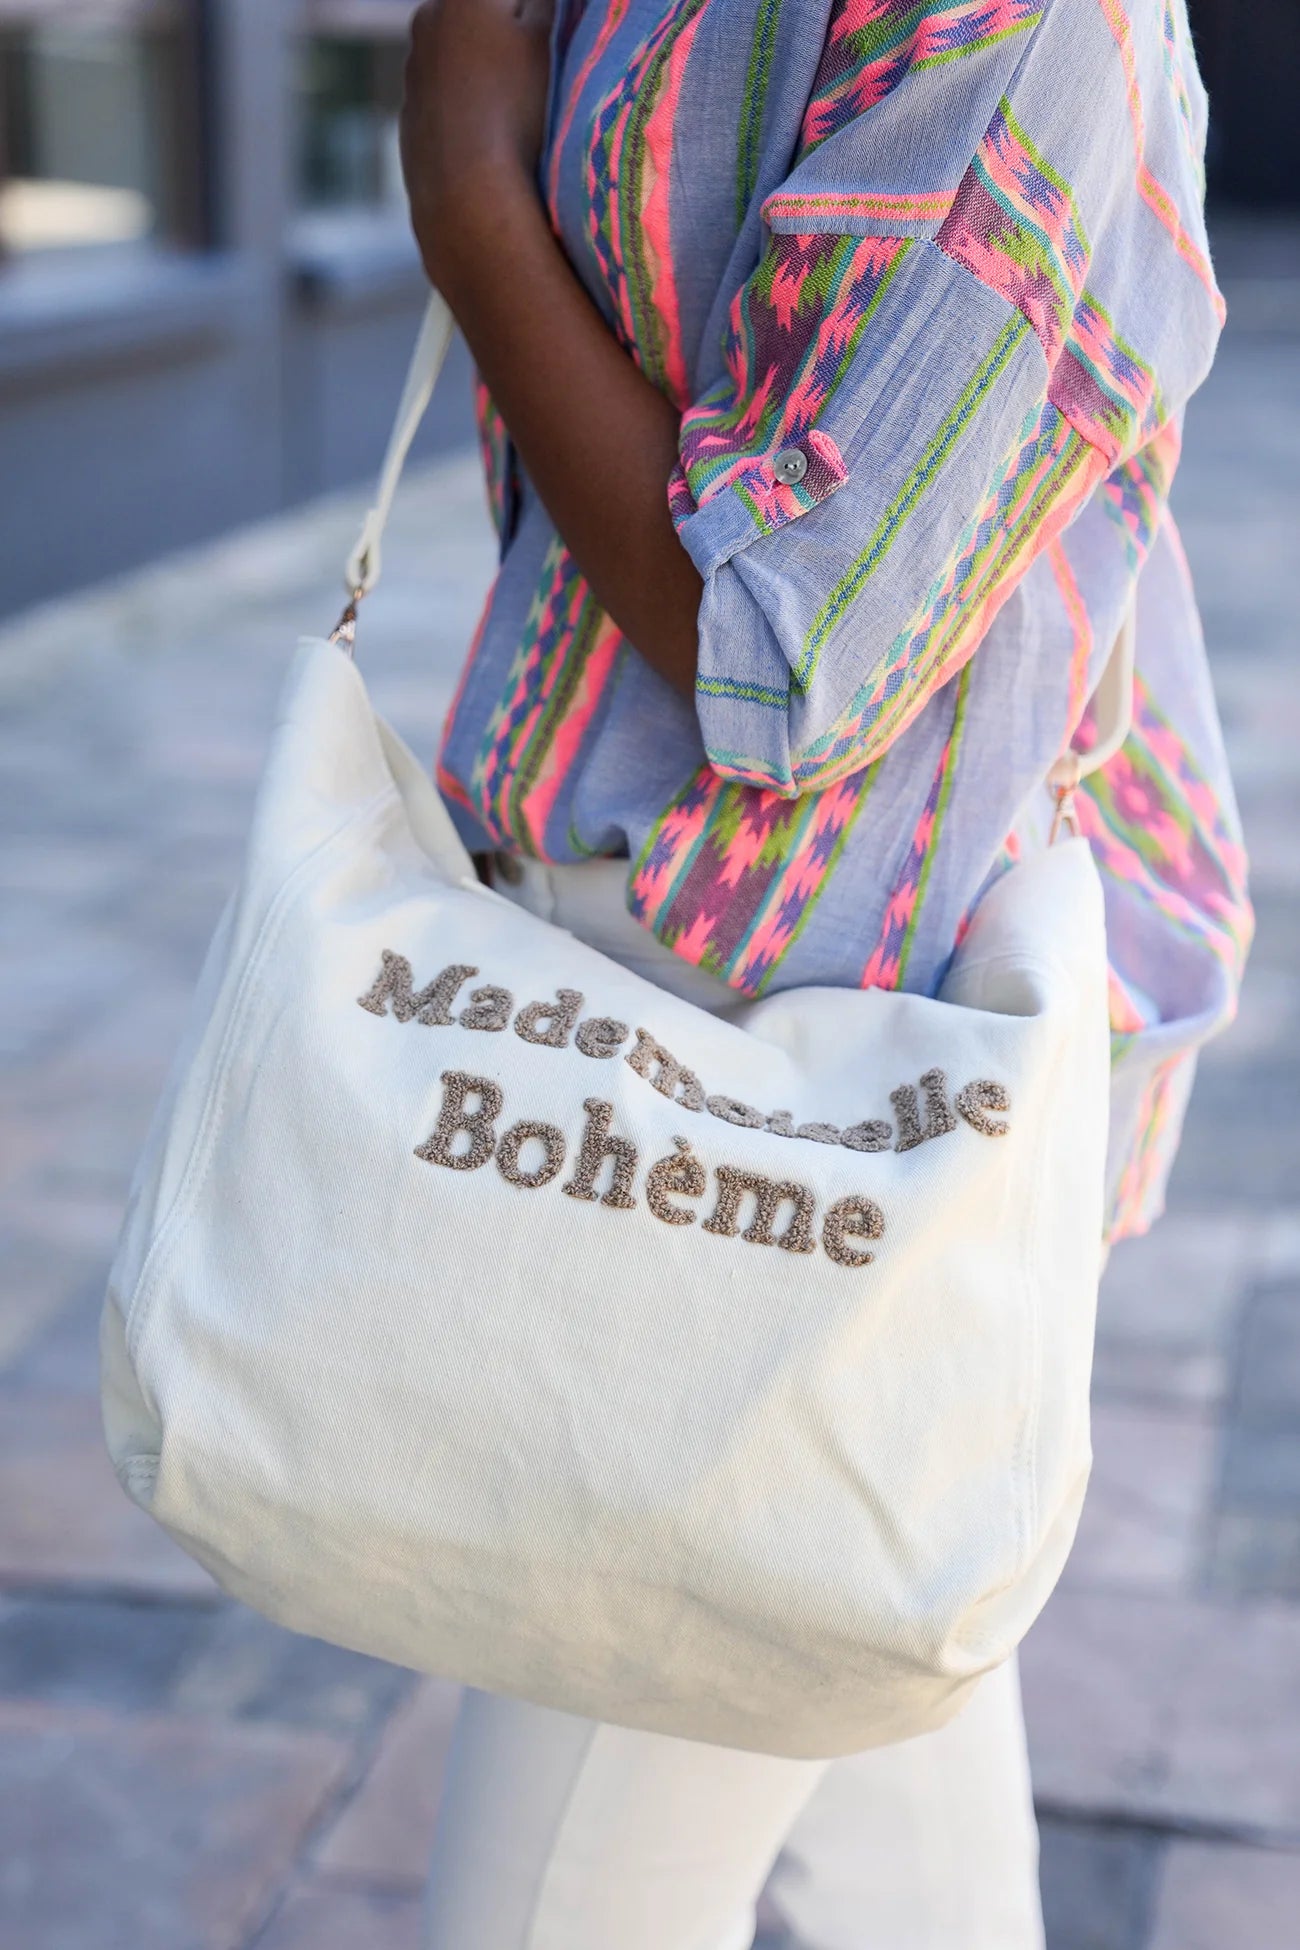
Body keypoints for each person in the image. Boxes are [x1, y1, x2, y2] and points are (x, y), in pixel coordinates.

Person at [399, 2, 1251, 1944]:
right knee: (888, 1820)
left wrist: (464, 196)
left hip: (820, 1056)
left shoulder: (1015, 22)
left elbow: (791, 662)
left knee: (548, 1904)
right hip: (659, 1005)